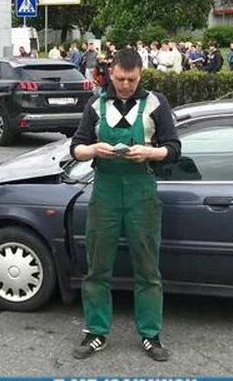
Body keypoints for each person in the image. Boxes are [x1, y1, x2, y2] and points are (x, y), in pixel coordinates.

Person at [69, 48, 181, 362]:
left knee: (147, 268)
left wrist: (149, 153)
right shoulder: (96, 103)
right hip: (104, 192)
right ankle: (95, 332)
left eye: (131, 79)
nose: (125, 84)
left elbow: (174, 148)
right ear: (111, 73)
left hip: (141, 193)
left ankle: (150, 334)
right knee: (97, 267)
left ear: (140, 75)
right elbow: (75, 147)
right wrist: (92, 149)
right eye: (120, 78)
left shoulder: (156, 103)